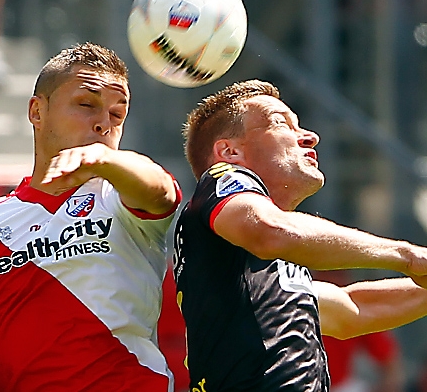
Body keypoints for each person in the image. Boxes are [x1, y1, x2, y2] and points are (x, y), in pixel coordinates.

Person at [0, 42, 182, 391]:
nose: (104, 124)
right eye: (86, 105)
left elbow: (160, 191)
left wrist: (100, 161)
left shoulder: (123, 199)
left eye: (117, 114)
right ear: (37, 112)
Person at [174, 79, 427, 391]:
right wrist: (407, 255)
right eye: (281, 123)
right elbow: (272, 231)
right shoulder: (222, 180)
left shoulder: (251, 266)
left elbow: (353, 310)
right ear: (229, 151)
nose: (310, 137)